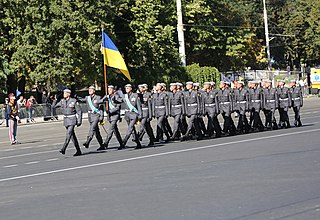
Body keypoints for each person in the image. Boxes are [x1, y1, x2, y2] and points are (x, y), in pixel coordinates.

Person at [53, 89, 82, 156]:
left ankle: (64, 148)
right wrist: (55, 100)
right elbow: (53, 106)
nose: (64, 94)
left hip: (72, 120)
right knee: (72, 136)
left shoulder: (74, 101)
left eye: (65, 93)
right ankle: (78, 150)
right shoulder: (62, 101)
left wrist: (79, 121)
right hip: (66, 120)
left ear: (69, 94)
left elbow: (79, 111)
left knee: (68, 134)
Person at [76, 86, 105, 150]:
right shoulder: (87, 97)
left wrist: (101, 116)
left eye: (91, 90)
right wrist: (76, 97)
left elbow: (101, 108)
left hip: (96, 115)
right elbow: (82, 100)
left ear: (94, 91)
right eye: (89, 90)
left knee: (92, 128)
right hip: (90, 116)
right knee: (96, 131)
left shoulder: (98, 97)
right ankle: (101, 144)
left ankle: (88, 141)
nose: (89, 90)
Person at [101, 85, 124, 150]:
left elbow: (117, 107)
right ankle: (121, 143)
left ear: (113, 90)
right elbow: (100, 101)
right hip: (110, 116)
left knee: (110, 129)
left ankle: (105, 144)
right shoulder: (107, 96)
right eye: (108, 90)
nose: (109, 91)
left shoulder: (116, 96)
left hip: (115, 115)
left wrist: (110, 111)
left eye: (110, 89)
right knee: (115, 130)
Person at [122, 84, 142, 149]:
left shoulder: (135, 96)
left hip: (134, 114)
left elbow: (139, 106)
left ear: (131, 88)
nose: (126, 89)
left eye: (128, 87)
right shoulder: (124, 96)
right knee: (132, 129)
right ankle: (138, 143)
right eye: (126, 88)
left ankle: (124, 141)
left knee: (130, 128)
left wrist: (140, 115)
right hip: (127, 114)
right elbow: (119, 101)